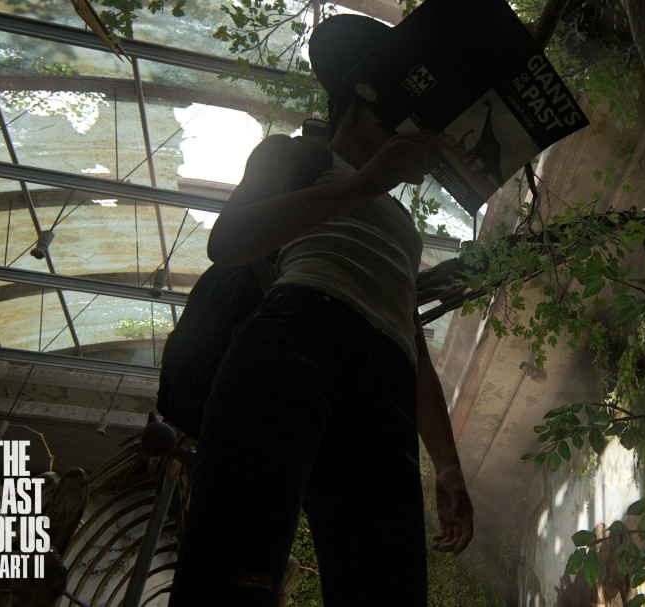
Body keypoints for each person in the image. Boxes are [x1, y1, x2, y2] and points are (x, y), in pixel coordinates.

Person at [167, 14, 474, 607]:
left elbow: (410, 335)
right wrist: (358, 186)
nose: (408, 126)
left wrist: (446, 463)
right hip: (295, 339)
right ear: (359, 97)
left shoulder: (400, 219)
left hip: (387, 381)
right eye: (395, 109)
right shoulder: (293, 156)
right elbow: (228, 242)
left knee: (388, 588)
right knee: (235, 564)